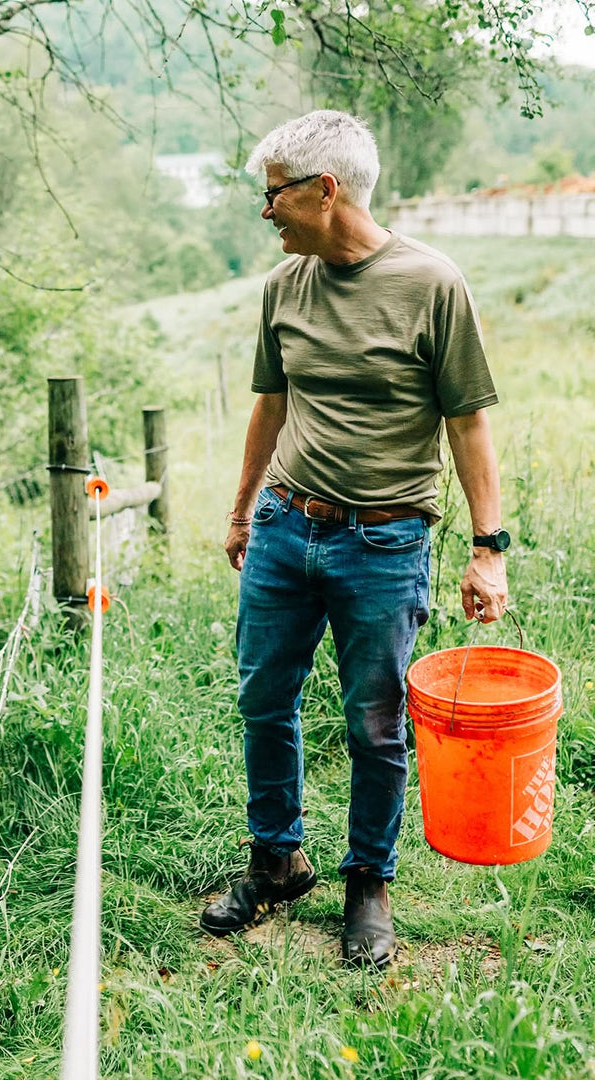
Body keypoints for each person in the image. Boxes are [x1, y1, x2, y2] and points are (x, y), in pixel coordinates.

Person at [198, 110, 510, 968]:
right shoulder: (282, 288)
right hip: (284, 525)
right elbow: (270, 404)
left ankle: (367, 883)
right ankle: (276, 858)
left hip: (385, 543)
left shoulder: (431, 283)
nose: (267, 214)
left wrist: (489, 548)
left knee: (374, 726)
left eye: (275, 197)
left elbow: (468, 424)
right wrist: (240, 512)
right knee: (264, 698)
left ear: (324, 190)